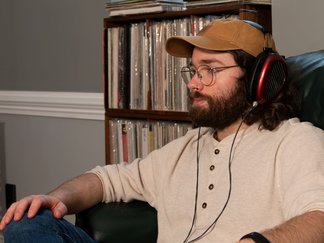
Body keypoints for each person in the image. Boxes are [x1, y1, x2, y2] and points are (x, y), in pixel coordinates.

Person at [1, 18, 324, 243]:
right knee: (26, 224)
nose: (194, 83)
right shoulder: (184, 148)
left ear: (260, 79)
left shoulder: (296, 141)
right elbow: (107, 179)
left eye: (210, 70)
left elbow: (319, 219)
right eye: (193, 71)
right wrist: (53, 198)